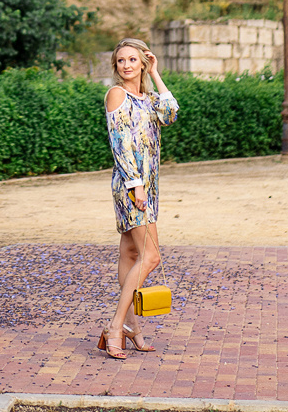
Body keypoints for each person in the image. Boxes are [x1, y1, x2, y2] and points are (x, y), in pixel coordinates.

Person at [98, 37, 179, 360]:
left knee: (131, 254)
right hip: (132, 185)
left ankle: (133, 329)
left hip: (148, 186)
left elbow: (171, 114)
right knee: (151, 257)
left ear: (143, 63)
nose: (127, 65)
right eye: (121, 61)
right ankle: (116, 327)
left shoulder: (147, 98)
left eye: (133, 60)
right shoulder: (117, 95)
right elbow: (120, 145)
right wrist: (136, 185)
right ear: (116, 66)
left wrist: (157, 73)